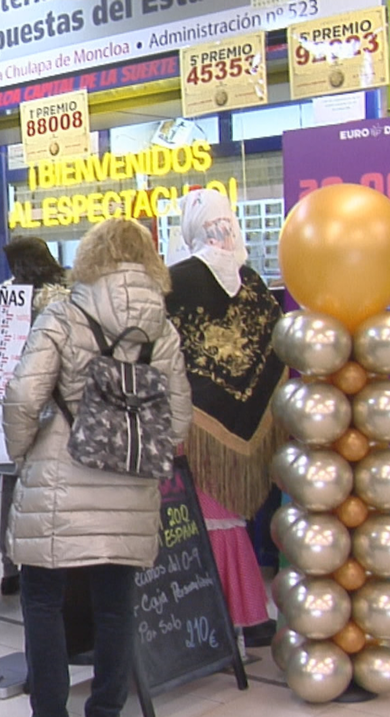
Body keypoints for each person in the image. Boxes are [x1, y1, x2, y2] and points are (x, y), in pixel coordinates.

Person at [3, 219, 192, 717]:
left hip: (57, 480)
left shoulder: (62, 316)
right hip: (131, 488)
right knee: (116, 608)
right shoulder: (163, 330)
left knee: (43, 602)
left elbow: (23, 397)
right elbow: (178, 421)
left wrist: (21, 452)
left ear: (89, 258)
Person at [165, 188, 285, 647]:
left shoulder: (174, 281)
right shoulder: (252, 282)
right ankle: (250, 613)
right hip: (246, 425)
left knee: (196, 518)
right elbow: (274, 348)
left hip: (191, 424)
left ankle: (206, 616)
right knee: (228, 516)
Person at [0, 236, 72, 596]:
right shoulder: (69, 297)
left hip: (18, 401)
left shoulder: (5, 299)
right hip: (61, 409)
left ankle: (12, 563)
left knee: (13, 486)